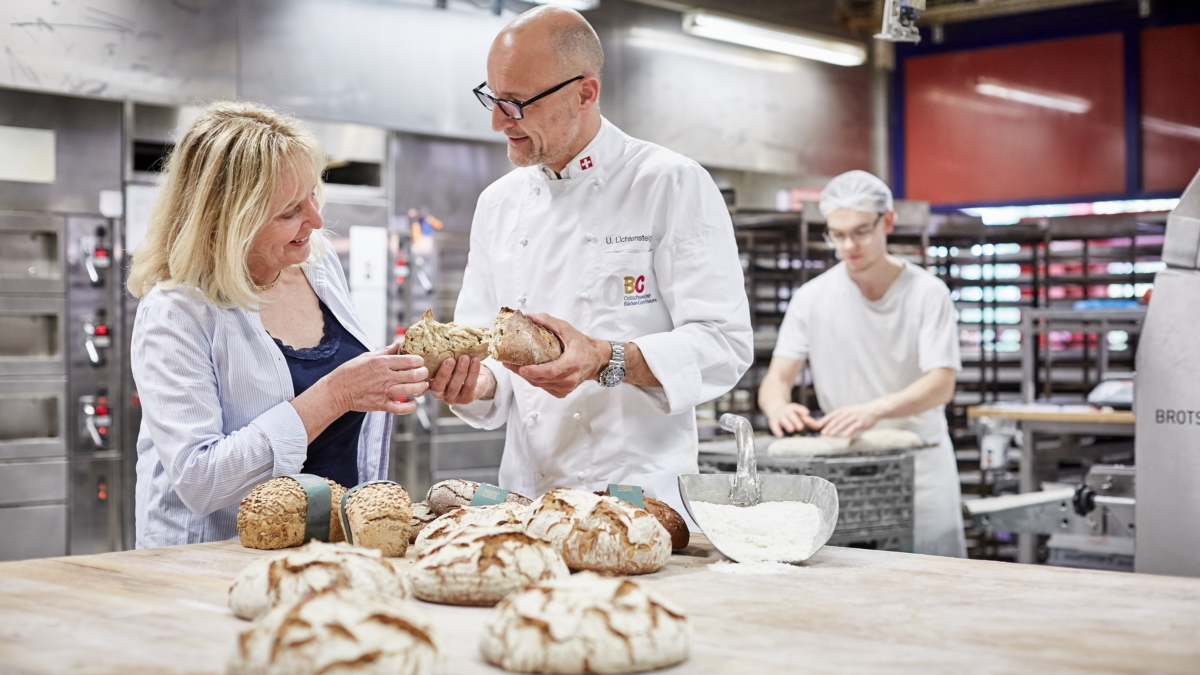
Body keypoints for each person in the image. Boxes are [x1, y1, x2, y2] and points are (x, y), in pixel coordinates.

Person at [428, 6, 753, 518]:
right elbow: (488, 352)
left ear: (584, 93)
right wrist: (470, 380)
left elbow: (724, 345)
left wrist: (605, 359)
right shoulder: (499, 203)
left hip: (640, 506)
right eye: (492, 98)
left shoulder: (669, 183)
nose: (496, 122)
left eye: (515, 103)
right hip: (525, 507)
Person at [126, 102, 428, 548]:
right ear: (228, 222)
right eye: (290, 211)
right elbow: (201, 480)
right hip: (214, 559)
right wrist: (336, 394)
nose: (316, 220)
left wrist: (397, 373)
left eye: (313, 195)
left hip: (332, 547)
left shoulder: (317, 265)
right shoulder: (176, 313)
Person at [758, 170, 966, 557]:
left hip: (921, 462)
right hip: (846, 467)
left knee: (935, 585)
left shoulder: (927, 293)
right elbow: (776, 381)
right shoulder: (812, 297)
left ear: (887, 221)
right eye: (836, 234)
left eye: (860, 232)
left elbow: (941, 384)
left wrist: (876, 410)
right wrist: (778, 407)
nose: (848, 245)